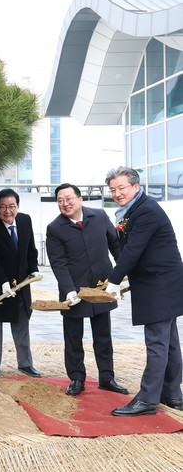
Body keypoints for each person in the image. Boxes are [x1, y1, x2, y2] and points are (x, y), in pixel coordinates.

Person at [103, 167, 183, 416]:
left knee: (157, 343)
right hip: (161, 281)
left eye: (121, 188)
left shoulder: (146, 210)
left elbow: (133, 249)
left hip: (160, 284)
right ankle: (172, 394)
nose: (117, 193)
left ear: (136, 186)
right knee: (169, 342)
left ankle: (147, 399)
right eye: (113, 189)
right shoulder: (136, 208)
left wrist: (114, 280)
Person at [45, 183, 128, 396]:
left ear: (80, 199)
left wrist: (121, 275)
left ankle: (107, 378)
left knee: (103, 335)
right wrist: (69, 290)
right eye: (60, 200)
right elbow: (58, 262)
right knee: (73, 337)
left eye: (69, 198)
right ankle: (76, 378)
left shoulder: (99, 216)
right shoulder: (54, 228)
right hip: (74, 290)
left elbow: (116, 246)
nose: (66, 203)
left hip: (102, 287)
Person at [0, 188, 41, 379]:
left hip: (21, 284)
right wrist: (3, 282)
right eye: (3, 207)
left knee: (22, 322)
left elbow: (30, 248)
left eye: (12, 206)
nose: (8, 211)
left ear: (18, 206)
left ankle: (26, 363)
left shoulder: (25, 220)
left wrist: (33, 268)